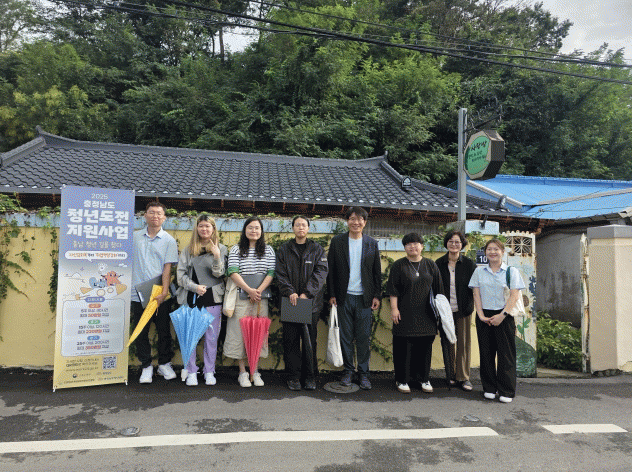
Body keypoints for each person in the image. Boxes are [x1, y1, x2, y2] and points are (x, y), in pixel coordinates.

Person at [327, 207, 382, 390]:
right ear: (347, 221)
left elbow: (376, 272)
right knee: (345, 337)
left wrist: (376, 295)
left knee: (363, 337)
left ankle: (364, 373)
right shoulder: (337, 242)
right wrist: (332, 294)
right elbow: (331, 270)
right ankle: (348, 371)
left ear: (364, 222)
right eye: (352, 219)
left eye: (359, 219)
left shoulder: (371, 243)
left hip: (365, 298)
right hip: (344, 297)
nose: (355, 222)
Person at [468, 238, 525, 403]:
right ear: (485, 252)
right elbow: (476, 294)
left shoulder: (511, 271)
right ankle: (489, 388)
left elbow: (514, 295)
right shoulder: (479, 272)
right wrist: (480, 315)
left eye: (496, 249)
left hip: (504, 316)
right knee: (486, 353)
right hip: (484, 316)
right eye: (489, 249)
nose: (492, 252)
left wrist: (502, 315)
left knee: (506, 354)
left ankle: (506, 390)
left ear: (502, 252)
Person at [387, 233, 444, 394]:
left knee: (424, 348)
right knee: (403, 348)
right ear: (404, 247)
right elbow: (393, 289)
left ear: (422, 246)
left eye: (416, 243)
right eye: (409, 244)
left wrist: (440, 314)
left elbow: (439, 291)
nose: (413, 246)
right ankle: (402, 379)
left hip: (427, 315)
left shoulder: (430, 265)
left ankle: (423, 379)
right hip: (404, 314)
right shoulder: (398, 265)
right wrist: (394, 309)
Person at [276, 216, 328, 391]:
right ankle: (293, 377)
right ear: (292, 228)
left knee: (309, 341)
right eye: (297, 225)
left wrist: (307, 293)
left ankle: (310, 377)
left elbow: (321, 273)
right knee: (291, 341)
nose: (300, 227)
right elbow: (280, 273)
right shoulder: (284, 249)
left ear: (308, 228)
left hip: (310, 304)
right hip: (290, 302)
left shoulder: (317, 249)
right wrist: (290, 291)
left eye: (304, 225)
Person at [176, 214, 228, 387]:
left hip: (213, 298)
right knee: (190, 337)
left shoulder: (222, 248)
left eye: (207, 226)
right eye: (201, 226)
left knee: (211, 338)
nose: (204, 229)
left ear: (213, 228)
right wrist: (194, 287)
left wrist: (217, 256)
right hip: (192, 298)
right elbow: (180, 276)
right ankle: (191, 371)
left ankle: (209, 371)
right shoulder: (188, 250)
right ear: (197, 228)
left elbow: (220, 274)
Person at [224, 216, 276, 387]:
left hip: (261, 298)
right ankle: (243, 372)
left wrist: (258, 291)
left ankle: (255, 370)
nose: (254, 231)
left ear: (261, 231)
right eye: (250, 228)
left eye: (257, 228)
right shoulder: (236, 249)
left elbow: (271, 273)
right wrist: (249, 290)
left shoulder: (268, 250)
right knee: (240, 334)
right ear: (245, 230)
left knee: (259, 334)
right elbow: (232, 271)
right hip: (241, 297)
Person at [130, 201, 179, 384]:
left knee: (164, 330)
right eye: (151, 212)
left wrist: (164, 292)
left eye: (159, 213)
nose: (155, 216)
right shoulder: (134, 237)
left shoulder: (169, 240)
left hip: (160, 294)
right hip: (137, 294)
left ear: (164, 217)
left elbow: (167, 269)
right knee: (141, 331)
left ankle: (164, 363)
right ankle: (146, 366)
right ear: (145, 215)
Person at [435, 230, 477, 391]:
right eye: (451, 241)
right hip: (445, 310)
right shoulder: (438, 263)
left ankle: (463, 377)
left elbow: (475, 288)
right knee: (447, 342)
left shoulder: (469, 264)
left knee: (463, 343)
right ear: (446, 243)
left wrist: (471, 306)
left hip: (463, 309)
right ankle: (451, 375)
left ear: (462, 244)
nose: (454, 244)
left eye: (457, 241)